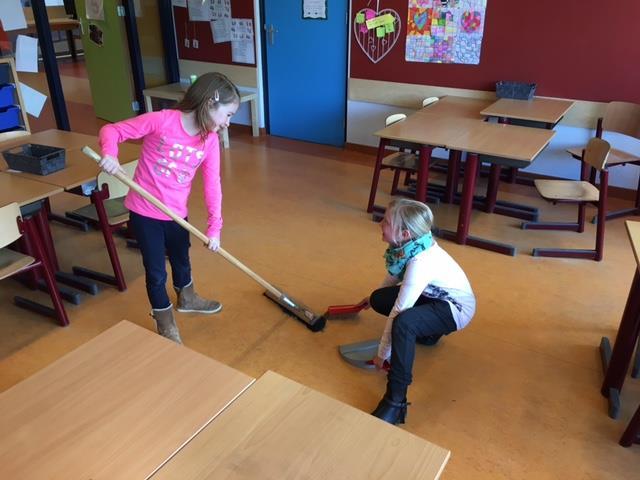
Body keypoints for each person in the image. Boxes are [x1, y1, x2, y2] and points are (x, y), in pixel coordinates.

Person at [98, 72, 240, 344]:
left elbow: (213, 184)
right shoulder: (162, 121)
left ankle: (187, 298)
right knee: (155, 272)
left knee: (181, 259)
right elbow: (111, 130)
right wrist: (109, 154)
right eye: (228, 114)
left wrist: (215, 228)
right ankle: (166, 323)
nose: (227, 124)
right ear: (211, 101)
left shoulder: (208, 140)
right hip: (144, 212)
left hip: (177, 213)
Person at [365, 198, 476, 425]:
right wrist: (372, 296)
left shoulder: (421, 261)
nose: (380, 224)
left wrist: (382, 353)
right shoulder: (412, 245)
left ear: (405, 233)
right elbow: (395, 277)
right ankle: (428, 334)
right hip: (433, 296)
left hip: (455, 308)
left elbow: (399, 310)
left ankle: (395, 401)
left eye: (386, 222)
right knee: (379, 299)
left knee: (404, 323)